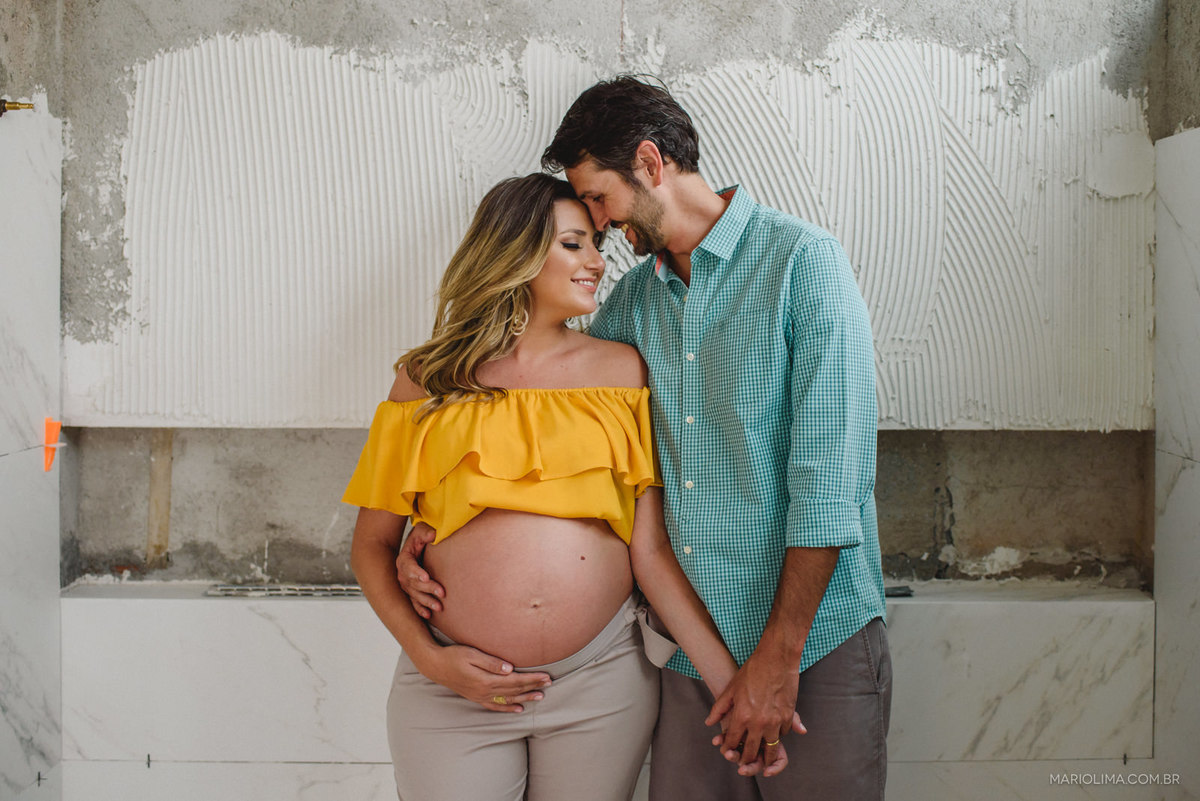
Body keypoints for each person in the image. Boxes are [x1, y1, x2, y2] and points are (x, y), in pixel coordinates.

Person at [400, 78, 892, 800]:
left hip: (814, 644)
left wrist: (779, 659)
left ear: (651, 163)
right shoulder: (627, 307)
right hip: (686, 658)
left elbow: (828, 484)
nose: (599, 228)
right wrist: (430, 524)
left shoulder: (803, 264)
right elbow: (559, 434)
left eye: (598, 199)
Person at [345, 173, 796, 801]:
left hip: (601, 680)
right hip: (454, 683)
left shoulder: (621, 371)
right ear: (518, 254)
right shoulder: (426, 380)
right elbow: (370, 545)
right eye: (574, 245)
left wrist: (734, 690)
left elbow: (650, 554)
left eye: (594, 246)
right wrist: (430, 659)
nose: (596, 262)